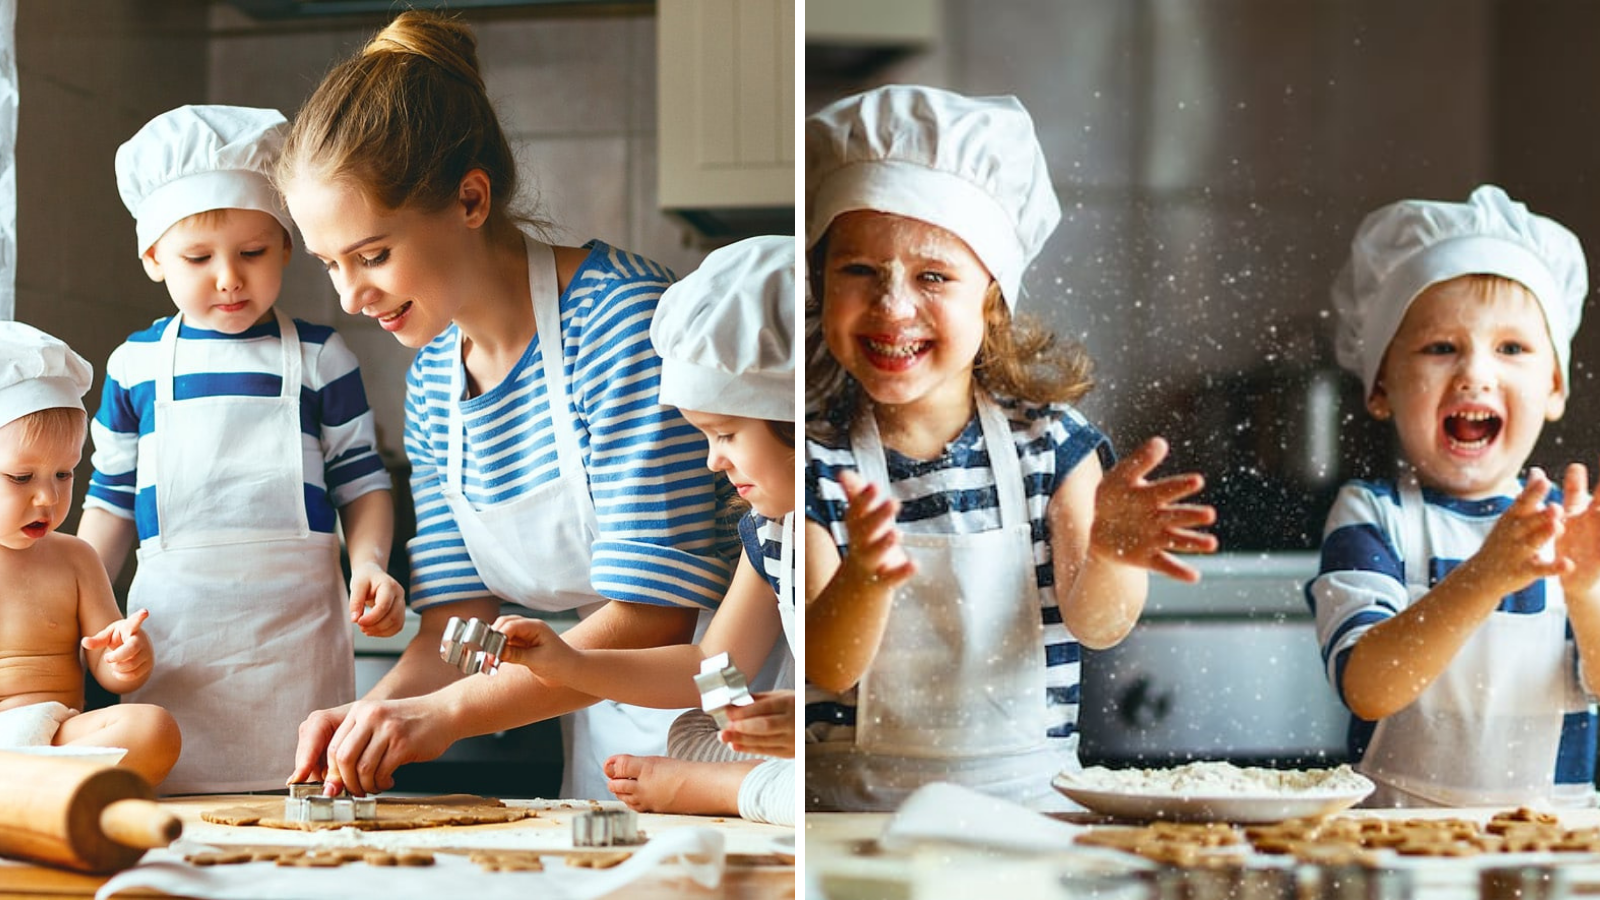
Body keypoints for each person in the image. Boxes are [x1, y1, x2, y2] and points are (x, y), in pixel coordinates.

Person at [277, 9, 742, 801]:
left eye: (373, 255)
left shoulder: (622, 322)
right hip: (602, 733)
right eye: (329, 264)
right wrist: (372, 714)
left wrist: (442, 717)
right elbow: (453, 625)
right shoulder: (432, 383)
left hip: (729, 720)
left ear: (469, 199)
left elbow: (652, 616)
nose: (351, 296)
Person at [803, 84, 1219, 811]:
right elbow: (829, 669)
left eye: (933, 276)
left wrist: (1113, 555)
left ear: (992, 299)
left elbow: (1096, 624)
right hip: (853, 825)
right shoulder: (814, 464)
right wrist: (865, 578)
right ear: (818, 282)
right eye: (859, 272)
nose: (893, 306)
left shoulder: (1051, 446)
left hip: (1029, 817)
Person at [75, 105, 402, 793]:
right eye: (199, 258)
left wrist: (369, 563)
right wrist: (82, 611)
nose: (229, 277)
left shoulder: (321, 356)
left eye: (253, 253)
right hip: (174, 647)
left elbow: (363, 482)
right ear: (153, 257)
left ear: (286, 247)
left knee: (304, 811)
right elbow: (108, 505)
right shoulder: (134, 367)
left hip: (297, 646)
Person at [1310, 184, 1600, 808]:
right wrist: (1484, 577)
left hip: (1552, 856)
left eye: (1512, 349)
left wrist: (1584, 592)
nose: (1475, 373)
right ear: (1382, 384)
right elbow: (1368, 685)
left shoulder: (1572, 535)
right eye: (1441, 347)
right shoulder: (1372, 516)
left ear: (1554, 386)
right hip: (1396, 850)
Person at [493, 235, 796, 825]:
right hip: (790, 767)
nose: (713, 460)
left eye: (727, 434)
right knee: (691, 730)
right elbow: (715, 667)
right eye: (704, 436)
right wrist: (570, 665)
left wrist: (806, 724)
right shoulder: (770, 535)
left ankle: (714, 787)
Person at [0, 322, 181, 786]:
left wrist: (123, 658)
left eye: (64, 474)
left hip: (59, 738)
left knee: (152, 728)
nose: (48, 498)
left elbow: (103, 664)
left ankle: (28, 793)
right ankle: (41, 796)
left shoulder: (77, 558)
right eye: (21, 478)